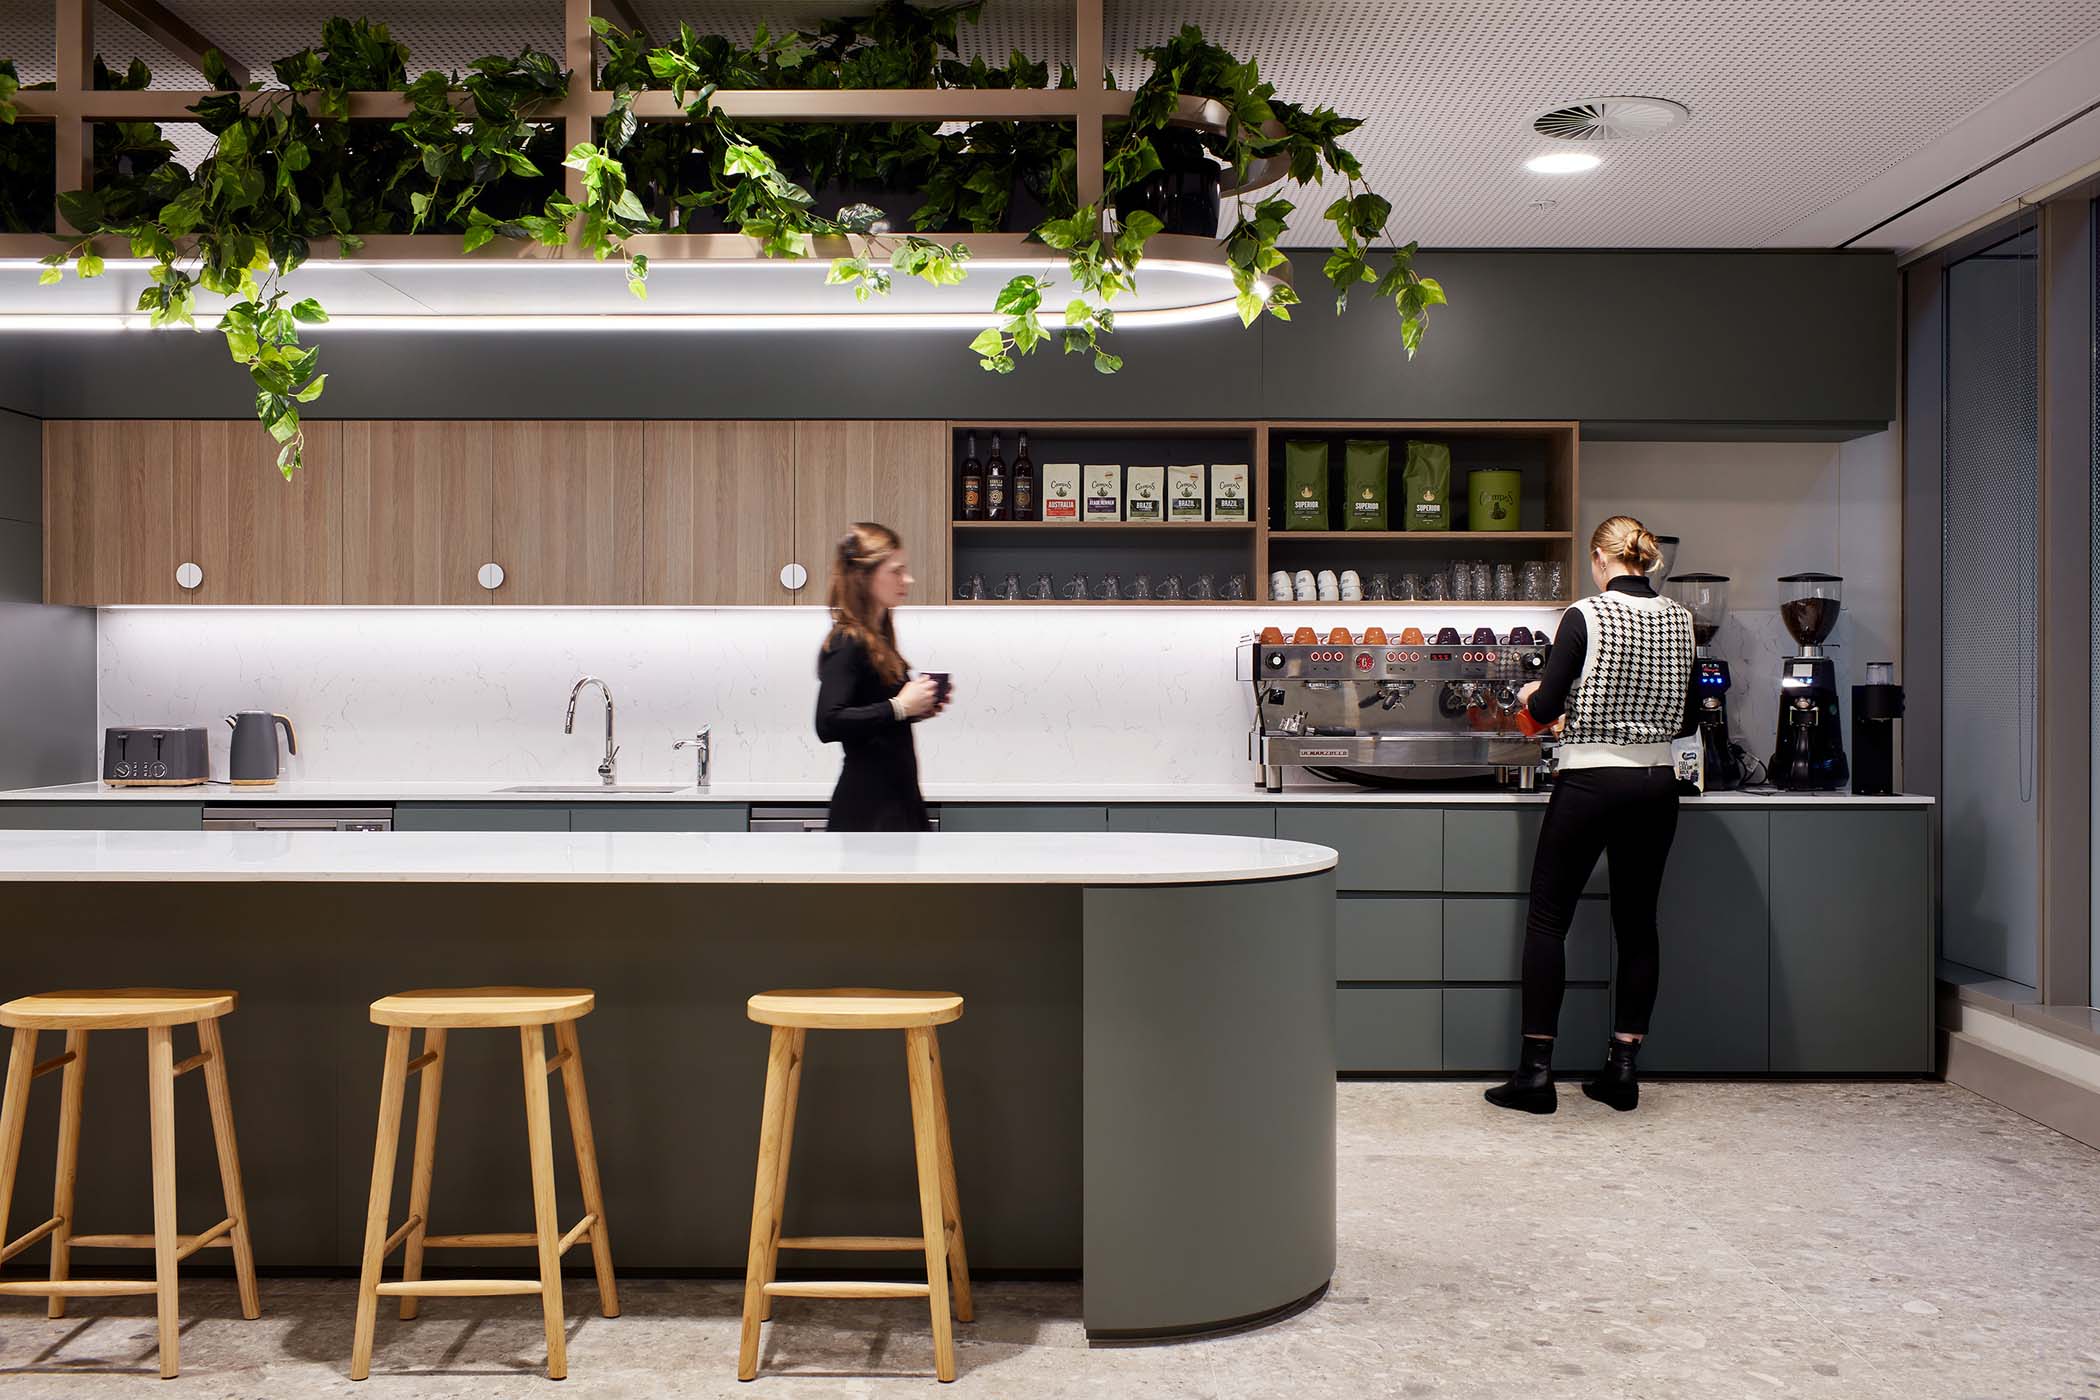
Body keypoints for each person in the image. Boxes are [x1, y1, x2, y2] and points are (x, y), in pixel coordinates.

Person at [1486, 516, 1698, 1115]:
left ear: (1601, 558)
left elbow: (1547, 706)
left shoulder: (1586, 615)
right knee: (1638, 925)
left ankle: (1535, 1077)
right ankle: (1622, 1072)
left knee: (1549, 920)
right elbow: (1687, 720)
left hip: (1590, 782)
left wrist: (1531, 698)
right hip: (1656, 785)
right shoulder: (1681, 619)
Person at [815, 522, 949, 832]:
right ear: (864, 576)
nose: (907, 579)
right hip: (869, 811)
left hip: (898, 803)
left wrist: (916, 708)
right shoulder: (848, 641)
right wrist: (899, 707)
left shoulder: (879, 640)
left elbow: (874, 716)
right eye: (896, 571)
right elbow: (828, 722)